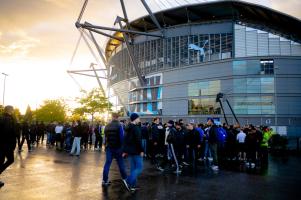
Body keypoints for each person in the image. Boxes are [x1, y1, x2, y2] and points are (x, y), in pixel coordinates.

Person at [102, 113, 127, 186]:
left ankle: (105, 180)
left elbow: (105, 137)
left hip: (109, 147)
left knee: (107, 164)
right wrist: (123, 149)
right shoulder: (120, 125)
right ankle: (125, 179)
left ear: (112, 117)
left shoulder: (107, 125)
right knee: (121, 164)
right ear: (118, 117)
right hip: (118, 148)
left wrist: (105, 146)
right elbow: (122, 138)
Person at [122, 113, 144, 193]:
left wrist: (125, 151)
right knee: (139, 168)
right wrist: (141, 150)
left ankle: (133, 186)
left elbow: (125, 140)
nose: (139, 119)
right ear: (135, 119)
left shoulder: (127, 127)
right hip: (136, 151)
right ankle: (128, 181)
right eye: (138, 118)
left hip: (130, 152)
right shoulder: (135, 128)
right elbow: (138, 140)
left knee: (133, 169)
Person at [0, 105, 17, 188]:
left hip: (1, 144)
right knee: (10, 160)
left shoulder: (1, 117)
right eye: (13, 110)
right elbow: (9, 132)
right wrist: (13, 144)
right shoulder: (9, 119)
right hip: (7, 144)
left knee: (1, 161)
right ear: (10, 110)